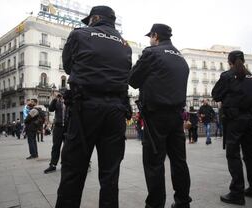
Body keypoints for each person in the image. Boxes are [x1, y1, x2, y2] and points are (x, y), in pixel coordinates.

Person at [56, 5, 132, 208]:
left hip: (85, 108)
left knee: (73, 169)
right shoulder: (125, 45)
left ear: (95, 18)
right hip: (116, 110)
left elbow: (68, 65)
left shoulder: (80, 34)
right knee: (110, 173)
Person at [129, 23, 192, 208]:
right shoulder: (181, 58)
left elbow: (132, 80)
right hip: (176, 116)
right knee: (179, 161)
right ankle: (182, 202)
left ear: (155, 36)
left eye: (150, 36)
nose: (149, 39)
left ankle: (155, 205)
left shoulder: (152, 53)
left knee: (154, 162)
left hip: (155, 117)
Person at [212, 50, 252, 205]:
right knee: (251, 155)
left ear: (230, 62)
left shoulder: (228, 76)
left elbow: (216, 94)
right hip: (250, 120)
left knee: (233, 155)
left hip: (234, 121)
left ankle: (237, 193)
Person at [44, 92, 65, 174]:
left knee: (67, 147)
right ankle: (53, 165)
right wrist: (54, 99)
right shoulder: (57, 101)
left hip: (67, 127)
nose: (61, 96)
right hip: (58, 127)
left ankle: (64, 164)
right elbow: (50, 109)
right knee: (56, 146)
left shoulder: (69, 101)